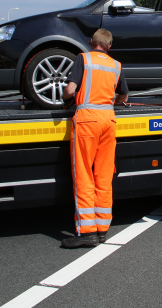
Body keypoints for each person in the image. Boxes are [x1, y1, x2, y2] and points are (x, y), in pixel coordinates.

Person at [60, 29, 129, 249]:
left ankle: (87, 232)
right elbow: (124, 96)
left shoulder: (84, 58)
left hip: (87, 119)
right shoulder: (116, 65)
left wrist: (64, 97)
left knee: (83, 175)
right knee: (104, 175)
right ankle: (102, 229)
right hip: (108, 119)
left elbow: (70, 90)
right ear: (109, 46)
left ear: (92, 42)